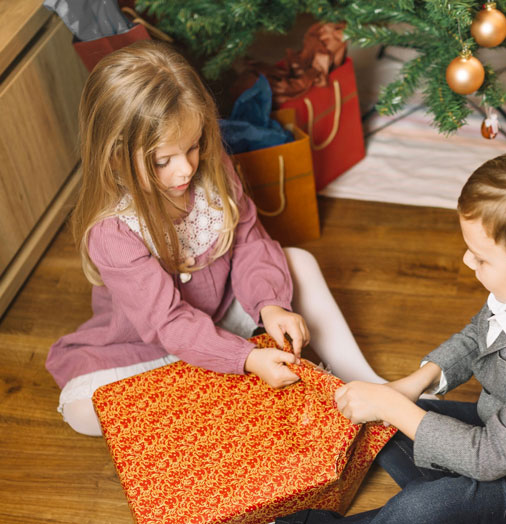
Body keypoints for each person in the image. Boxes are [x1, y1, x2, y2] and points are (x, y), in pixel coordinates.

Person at [278, 135, 506, 524]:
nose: (466, 259)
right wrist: (411, 386)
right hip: (502, 431)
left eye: (480, 258)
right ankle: (458, 499)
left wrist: (393, 406)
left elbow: (488, 457)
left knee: (421, 508)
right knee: (378, 427)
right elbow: (478, 336)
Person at [45, 40, 383, 437]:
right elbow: (169, 324)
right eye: (162, 161)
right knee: (83, 411)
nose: (185, 169)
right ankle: (222, 390)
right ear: (116, 155)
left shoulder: (209, 165)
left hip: (225, 311)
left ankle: (366, 380)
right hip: (152, 347)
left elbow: (250, 241)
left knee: (298, 262)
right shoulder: (113, 231)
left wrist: (271, 305)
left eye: (193, 146)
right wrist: (244, 359)